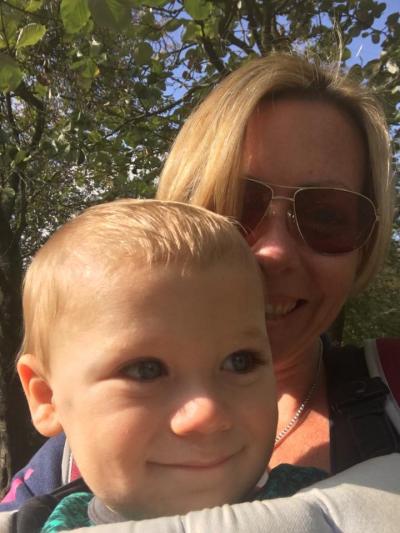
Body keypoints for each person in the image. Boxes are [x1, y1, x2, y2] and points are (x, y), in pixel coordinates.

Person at [1, 51, 399, 530]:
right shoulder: (61, 469)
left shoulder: (394, 386)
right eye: (235, 204)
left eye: (328, 216)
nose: (273, 252)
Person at [6, 199, 327, 531]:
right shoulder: (35, 523)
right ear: (46, 397)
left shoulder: (328, 507)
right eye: (145, 370)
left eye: (240, 362)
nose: (206, 413)